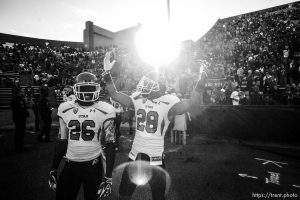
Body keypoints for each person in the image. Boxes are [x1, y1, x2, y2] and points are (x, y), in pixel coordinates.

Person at [103, 52, 204, 200]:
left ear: (159, 86)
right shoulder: (139, 99)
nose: (144, 86)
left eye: (149, 83)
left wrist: (201, 79)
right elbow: (114, 95)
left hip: (152, 157)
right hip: (137, 155)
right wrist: (107, 72)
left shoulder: (168, 102)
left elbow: (192, 102)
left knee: (157, 196)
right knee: (124, 195)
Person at [48, 72, 116, 200]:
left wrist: (108, 177)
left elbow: (110, 144)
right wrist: (53, 169)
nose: (87, 92)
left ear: (97, 89)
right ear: (76, 89)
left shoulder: (105, 109)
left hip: (93, 165)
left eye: (90, 88)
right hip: (71, 164)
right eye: (84, 88)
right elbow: (62, 141)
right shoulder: (65, 108)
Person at [11, 87, 29, 152]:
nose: (23, 92)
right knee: (19, 132)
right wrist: (23, 114)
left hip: (22, 118)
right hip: (18, 119)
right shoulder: (15, 100)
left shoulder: (22, 99)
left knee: (22, 132)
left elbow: (24, 108)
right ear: (19, 92)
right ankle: (18, 148)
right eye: (22, 91)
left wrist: (26, 113)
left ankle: (21, 146)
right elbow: (16, 110)